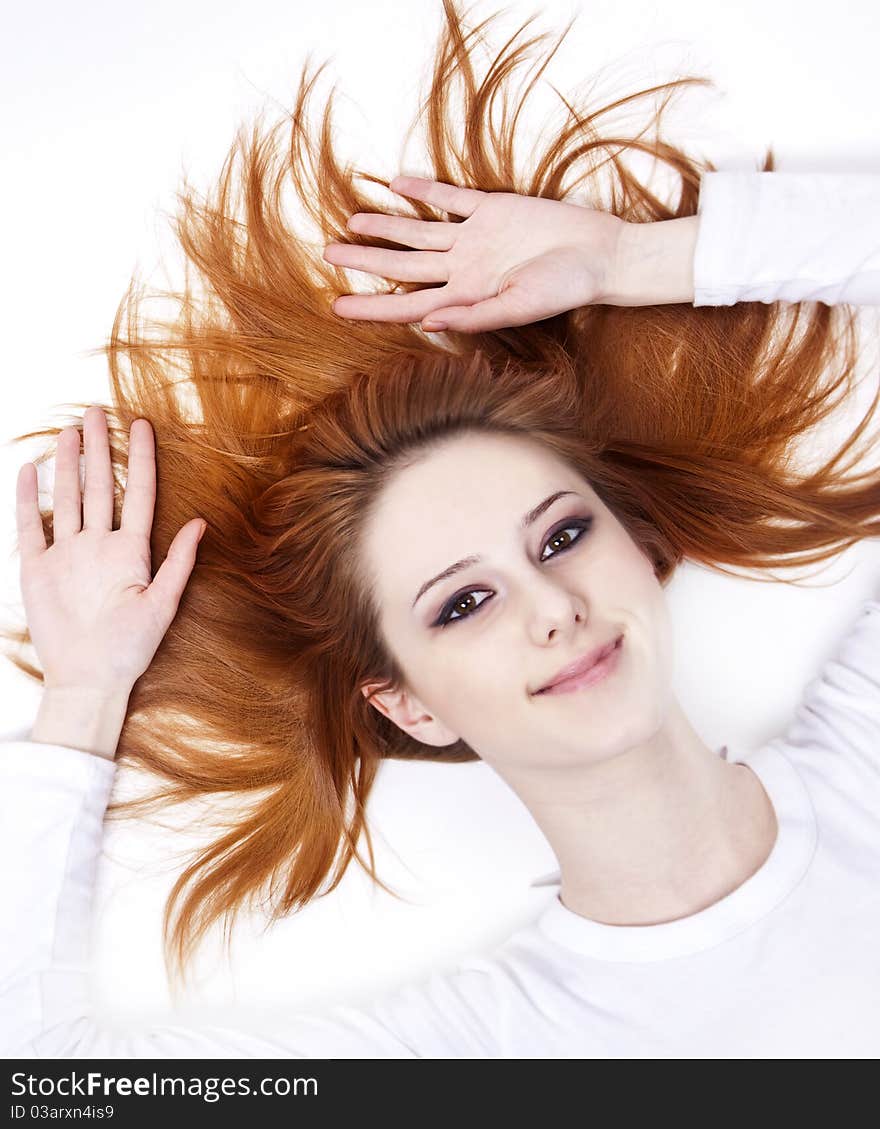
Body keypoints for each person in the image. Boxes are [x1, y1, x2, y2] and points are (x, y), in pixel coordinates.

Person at [2, 1, 880, 1058]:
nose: (553, 609)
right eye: (461, 602)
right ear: (407, 702)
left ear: (639, 550)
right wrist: (86, 696)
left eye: (559, 537)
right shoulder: (483, 1054)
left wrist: (627, 262)